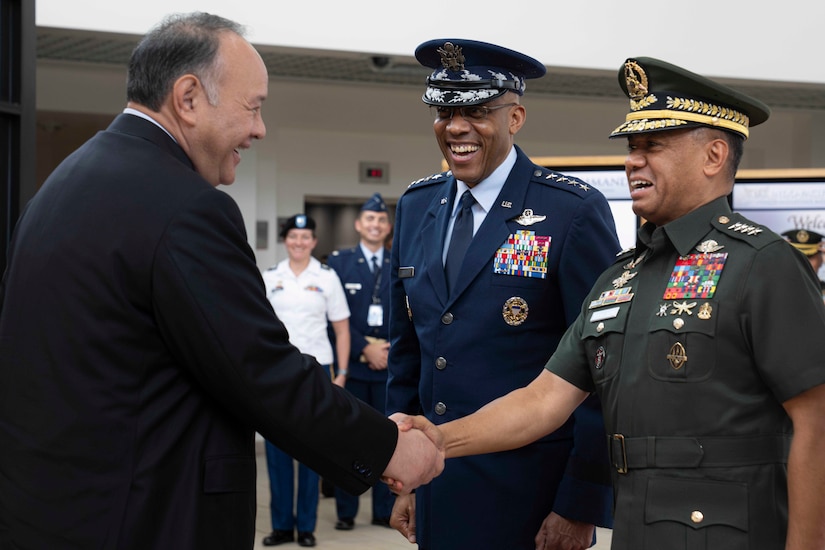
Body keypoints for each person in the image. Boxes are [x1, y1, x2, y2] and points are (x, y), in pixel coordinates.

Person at [0, 12, 442, 550]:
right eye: (252, 107)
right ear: (188, 98)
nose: (258, 128)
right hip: (142, 518)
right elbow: (262, 373)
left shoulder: (62, 185)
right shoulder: (186, 209)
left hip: (60, 510)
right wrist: (389, 447)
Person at [397, 56, 825, 550]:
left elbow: (816, 422)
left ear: (713, 156)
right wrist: (438, 441)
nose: (632, 161)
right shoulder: (621, 277)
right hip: (640, 529)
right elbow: (541, 402)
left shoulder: (762, 264)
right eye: (631, 147)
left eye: (653, 146)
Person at [387, 39, 620, 549]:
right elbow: (408, 350)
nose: (456, 127)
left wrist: (578, 502)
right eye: (445, 111)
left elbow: (603, 369)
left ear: (515, 117)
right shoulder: (415, 205)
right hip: (436, 481)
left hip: (531, 495)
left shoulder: (570, 211)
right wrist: (401, 473)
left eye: (476, 111)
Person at [260, 213, 351, 547]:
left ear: (314, 241)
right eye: (293, 237)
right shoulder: (270, 277)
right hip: (278, 372)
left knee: (314, 450)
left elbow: (341, 328)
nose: (299, 242)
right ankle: (282, 525)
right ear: (285, 241)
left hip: (318, 371)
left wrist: (341, 373)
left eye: (305, 237)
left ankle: (307, 527)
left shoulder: (327, 277)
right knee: (278, 450)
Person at [327, 193, 395, 531]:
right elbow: (332, 318)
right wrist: (363, 349)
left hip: (389, 367)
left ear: (388, 226)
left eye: (381, 220)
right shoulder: (339, 263)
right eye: (370, 219)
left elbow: (413, 313)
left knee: (387, 438)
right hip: (352, 367)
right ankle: (345, 511)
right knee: (349, 439)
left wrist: (387, 350)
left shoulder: (398, 261)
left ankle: (384, 510)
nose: (375, 224)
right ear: (358, 225)